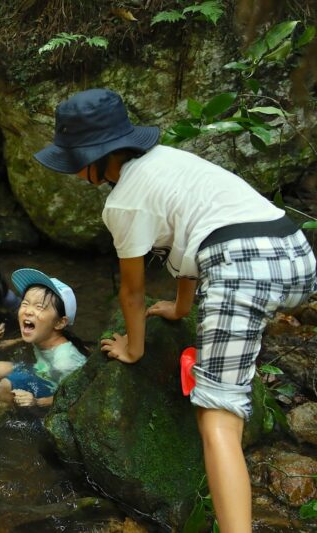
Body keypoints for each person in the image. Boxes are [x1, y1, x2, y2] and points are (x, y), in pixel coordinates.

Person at [33, 88, 317, 532]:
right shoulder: (168, 161)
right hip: (295, 255)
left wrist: (134, 348)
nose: (72, 172)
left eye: (74, 161)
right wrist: (180, 308)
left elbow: (132, 290)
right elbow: (194, 240)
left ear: (97, 157)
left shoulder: (123, 201)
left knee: (217, 417)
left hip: (242, 267)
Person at [0, 268, 87, 414]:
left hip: (52, 389)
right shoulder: (43, 334)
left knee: (4, 387)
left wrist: (38, 402)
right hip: (41, 370)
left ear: (60, 323)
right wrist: (14, 342)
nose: (28, 311)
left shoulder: (65, 361)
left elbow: (76, 396)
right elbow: (35, 338)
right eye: (25, 303)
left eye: (39, 307)